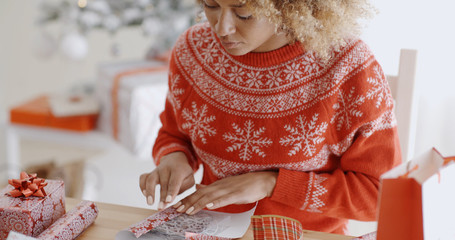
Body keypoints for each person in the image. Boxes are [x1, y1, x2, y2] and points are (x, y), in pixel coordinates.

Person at [139, 0, 401, 235]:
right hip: (210, 230)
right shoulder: (192, 50)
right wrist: (174, 158)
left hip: (308, 235)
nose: (222, 28)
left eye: (243, 14)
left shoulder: (346, 65)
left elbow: (381, 196)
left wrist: (272, 183)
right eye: (211, 6)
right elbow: (173, 133)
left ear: (287, 7)